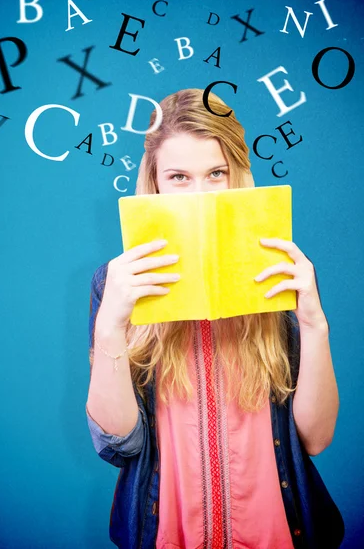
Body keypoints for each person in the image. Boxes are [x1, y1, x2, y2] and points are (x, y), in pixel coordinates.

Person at [85, 88, 345, 549]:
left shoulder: (280, 271)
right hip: (168, 533)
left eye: (216, 174)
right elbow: (121, 445)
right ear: (156, 182)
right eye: (180, 176)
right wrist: (111, 324)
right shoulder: (116, 282)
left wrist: (314, 325)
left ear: (236, 176)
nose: (199, 195)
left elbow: (316, 439)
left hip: (277, 531)